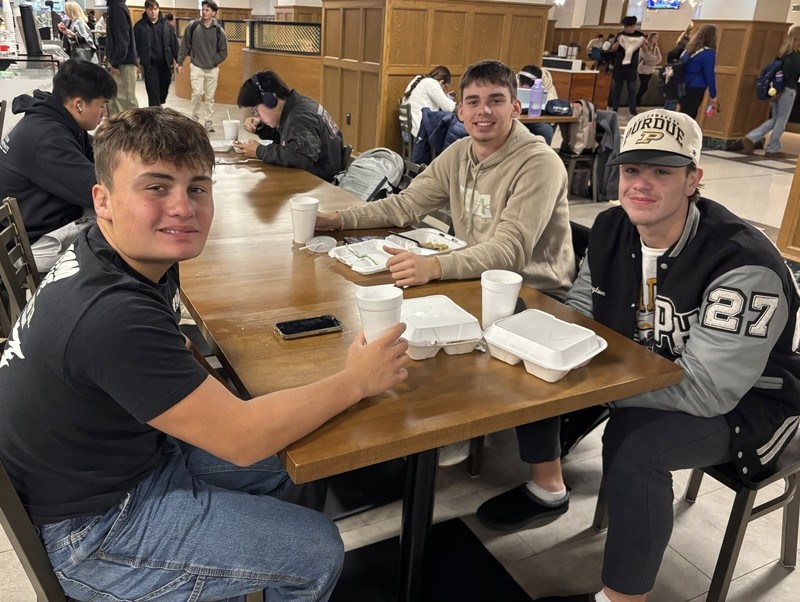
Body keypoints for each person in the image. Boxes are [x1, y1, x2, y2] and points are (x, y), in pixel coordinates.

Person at [0, 107, 411, 601]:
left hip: (118, 460)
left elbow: (166, 352)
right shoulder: (110, 315)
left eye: (196, 187)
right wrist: (357, 380)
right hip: (93, 528)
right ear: (103, 200)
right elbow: (241, 439)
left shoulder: (114, 250)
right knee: (316, 549)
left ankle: (228, 576)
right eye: (156, 187)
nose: (183, 206)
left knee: (294, 455)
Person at [476, 108, 800, 602]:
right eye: (632, 170)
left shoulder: (743, 265)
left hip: (750, 407)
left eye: (662, 171)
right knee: (537, 365)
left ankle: (622, 598)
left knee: (636, 443)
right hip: (643, 372)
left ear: (694, 178)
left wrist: (595, 386)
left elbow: (710, 390)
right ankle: (547, 488)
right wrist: (532, 338)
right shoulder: (612, 227)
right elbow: (584, 310)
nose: (641, 185)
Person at [316, 59, 575, 297]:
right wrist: (338, 219)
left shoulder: (539, 164)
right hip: (475, 279)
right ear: (460, 111)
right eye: (473, 102)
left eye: (496, 101)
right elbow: (405, 205)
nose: (483, 110)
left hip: (533, 293)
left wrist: (434, 266)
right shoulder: (460, 152)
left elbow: (510, 251)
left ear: (515, 108)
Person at [0, 59, 116, 273]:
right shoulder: (46, 138)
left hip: (44, 220)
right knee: (123, 236)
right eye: (102, 105)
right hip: (35, 244)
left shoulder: (58, 119)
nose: (104, 114)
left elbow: (98, 155)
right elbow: (94, 189)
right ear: (79, 104)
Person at [234, 69, 345, 182]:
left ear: (270, 100)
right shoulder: (298, 107)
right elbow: (290, 139)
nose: (258, 116)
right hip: (316, 179)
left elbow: (301, 156)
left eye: (256, 110)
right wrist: (261, 128)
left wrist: (260, 151)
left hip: (319, 184)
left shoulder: (299, 118)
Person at [741, 26, 800, 159]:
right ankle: (773, 148)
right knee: (781, 121)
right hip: (788, 90)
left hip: (775, 90)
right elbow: (790, 75)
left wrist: (776, 91)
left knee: (775, 118)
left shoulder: (782, 54)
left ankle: (751, 137)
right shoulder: (796, 57)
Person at [176, 0, 229, 132]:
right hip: (197, 66)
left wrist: (213, 61)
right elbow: (185, 45)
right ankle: (194, 119)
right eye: (203, 9)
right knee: (197, 93)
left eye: (207, 10)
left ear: (214, 13)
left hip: (212, 69)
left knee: (210, 97)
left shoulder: (219, 31)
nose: (204, 12)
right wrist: (180, 62)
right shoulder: (192, 26)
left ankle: (209, 122)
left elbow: (224, 51)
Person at [134, 0, 179, 107]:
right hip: (150, 64)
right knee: (153, 91)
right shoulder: (139, 26)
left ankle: (158, 103)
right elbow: (135, 46)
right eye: (150, 9)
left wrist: (178, 60)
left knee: (165, 85)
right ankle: (155, 111)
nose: (153, 12)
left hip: (165, 62)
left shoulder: (167, 25)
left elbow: (173, 43)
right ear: (146, 10)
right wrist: (136, 63)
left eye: (155, 9)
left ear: (158, 9)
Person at [401, 65, 457, 137]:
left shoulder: (418, 79)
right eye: (445, 87)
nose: (444, 90)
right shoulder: (432, 84)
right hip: (418, 133)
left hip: (408, 131)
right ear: (442, 82)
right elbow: (449, 107)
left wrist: (445, 97)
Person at [105, 0, 139, 116]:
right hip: (121, 61)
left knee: (124, 102)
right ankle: (117, 132)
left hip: (123, 63)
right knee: (115, 101)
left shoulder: (117, 9)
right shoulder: (115, 7)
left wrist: (115, 62)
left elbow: (122, 40)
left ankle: (132, 133)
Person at [678, 23, 719, 120]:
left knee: (684, 112)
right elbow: (709, 75)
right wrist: (713, 94)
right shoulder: (708, 53)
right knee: (690, 115)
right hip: (696, 86)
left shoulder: (690, 49)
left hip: (683, 84)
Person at [609, 16, 645, 115]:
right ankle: (615, 108)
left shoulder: (640, 35)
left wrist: (644, 43)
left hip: (631, 66)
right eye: (624, 26)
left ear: (633, 26)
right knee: (617, 88)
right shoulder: (620, 34)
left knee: (632, 89)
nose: (624, 28)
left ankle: (633, 110)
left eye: (626, 26)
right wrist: (618, 42)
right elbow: (613, 49)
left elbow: (645, 49)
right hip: (619, 66)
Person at [518, 64, 558, 145]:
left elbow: (552, 102)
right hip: (516, 118)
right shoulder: (514, 80)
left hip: (537, 119)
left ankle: (543, 156)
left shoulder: (546, 84)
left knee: (546, 130)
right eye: (522, 85)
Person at [636, 32, 661, 107]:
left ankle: (638, 100)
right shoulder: (644, 46)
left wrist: (653, 61)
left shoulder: (656, 47)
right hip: (643, 69)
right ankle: (637, 100)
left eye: (657, 38)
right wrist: (654, 59)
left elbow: (659, 59)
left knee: (645, 86)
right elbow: (647, 57)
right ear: (651, 38)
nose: (656, 39)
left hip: (650, 69)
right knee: (644, 86)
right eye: (655, 37)